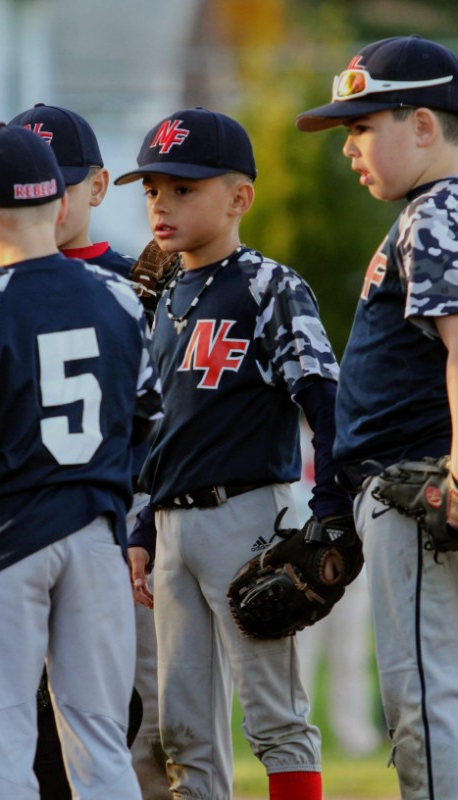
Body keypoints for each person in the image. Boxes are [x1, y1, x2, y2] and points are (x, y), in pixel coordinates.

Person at [296, 35, 458, 799]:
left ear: (425, 126)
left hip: (431, 487)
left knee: (428, 704)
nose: (350, 149)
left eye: (364, 127)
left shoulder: (434, 215)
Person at [0, 122, 160, 800]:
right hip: (97, 533)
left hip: (6, 539)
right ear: (54, 207)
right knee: (101, 740)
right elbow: (150, 414)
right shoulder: (119, 295)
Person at [116, 107, 345, 800]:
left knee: (274, 714)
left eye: (184, 188)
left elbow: (325, 401)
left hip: (247, 515)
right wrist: (138, 529)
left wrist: (332, 508)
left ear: (239, 197)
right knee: (182, 731)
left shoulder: (268, 285)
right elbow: (150, 431)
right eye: (153, 188)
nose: (161, 202)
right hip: (171, 527)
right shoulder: (155, 296)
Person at [9, 101, 170, 800]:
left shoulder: (146, 286)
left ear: (99, 188)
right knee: (20, 726)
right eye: (25, 182)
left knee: (148, 729)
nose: (43, 198)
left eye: (60, 183)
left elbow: (169, 423)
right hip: (14, 538)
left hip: (121, 535)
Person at [291, 422, 381, 758]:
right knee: (301, 655)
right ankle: (296, 731)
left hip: (351, 567)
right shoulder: (292, 441)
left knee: (351, 655)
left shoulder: (351, 437)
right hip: (304, 568)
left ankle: (355, 733)